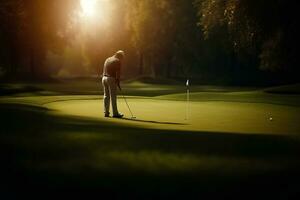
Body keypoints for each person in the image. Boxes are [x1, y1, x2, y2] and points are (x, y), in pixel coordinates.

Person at [102, 50, 125, 118]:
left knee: (106, 96)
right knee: (113, 96)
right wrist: (118, 82)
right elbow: (118, 73)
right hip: (111, 79)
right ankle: (115, 113)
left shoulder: (108, 59)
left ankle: (106, 112)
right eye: (122, 57)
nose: (122, 59)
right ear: (120, 56)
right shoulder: (117, 61)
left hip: (104, 78)